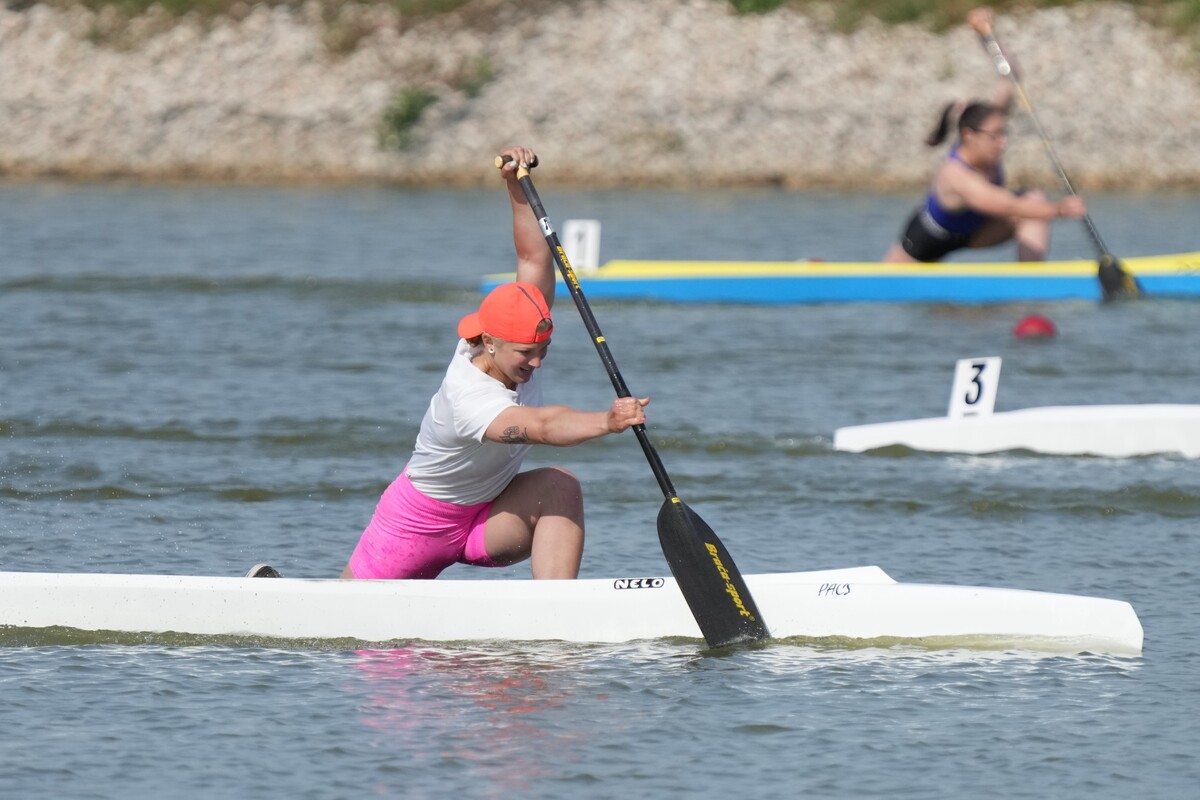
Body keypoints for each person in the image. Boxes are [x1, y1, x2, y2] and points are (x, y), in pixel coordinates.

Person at [339, 145, 649, 582]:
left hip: (486, 519)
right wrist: (607, 421)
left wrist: (514, 184)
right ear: (488, 341)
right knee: (363, 630)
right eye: (526, 353)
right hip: (415, 528)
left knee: (560, 487)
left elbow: (534, 259)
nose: (537, 363)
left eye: (544, 350)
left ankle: (557, 620)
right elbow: (541, 427)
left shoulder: (515, 330)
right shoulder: (468, 396)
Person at [883, 7, 1086, 264]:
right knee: (1031, 207)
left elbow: (1010, 78)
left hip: (976, 233)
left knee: (1033, 200)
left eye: (1004, 133)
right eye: (995, 136)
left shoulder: (989, 127)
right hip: (928, 240)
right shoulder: (955, 175)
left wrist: (988, 36)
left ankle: (1032, 282)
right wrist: (1059, 210)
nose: (1003, 142)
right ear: (969, 136)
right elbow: (1004, 205)